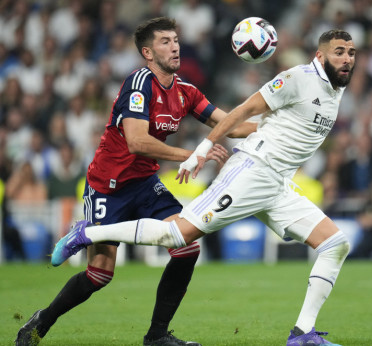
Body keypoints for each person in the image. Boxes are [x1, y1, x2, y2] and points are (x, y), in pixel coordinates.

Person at [52, 29, 356, 346]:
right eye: (338, 51)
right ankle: (86, 234)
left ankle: (302, 335)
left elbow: (266, 124)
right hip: (253, 173)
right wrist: (200, 150)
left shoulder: (335, 88)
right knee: (177, 236)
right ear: (319, 55)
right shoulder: (296, 78)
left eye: (350, 52)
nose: (346, 58)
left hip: (278, 183)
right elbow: (241, 112)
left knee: (335, 244)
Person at [16, 17, 256, 346]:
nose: (175, 46)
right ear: (147, 52)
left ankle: (156, 336)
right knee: (100, 274)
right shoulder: (139, 83)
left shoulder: (185, 92)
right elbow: (136, 142)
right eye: (165, 42)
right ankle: (42, 321)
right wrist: (193, 153)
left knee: (186, 247)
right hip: (107, 185)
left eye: (176, 40)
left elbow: (232, 124)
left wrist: (277, 120)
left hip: (144, 183)